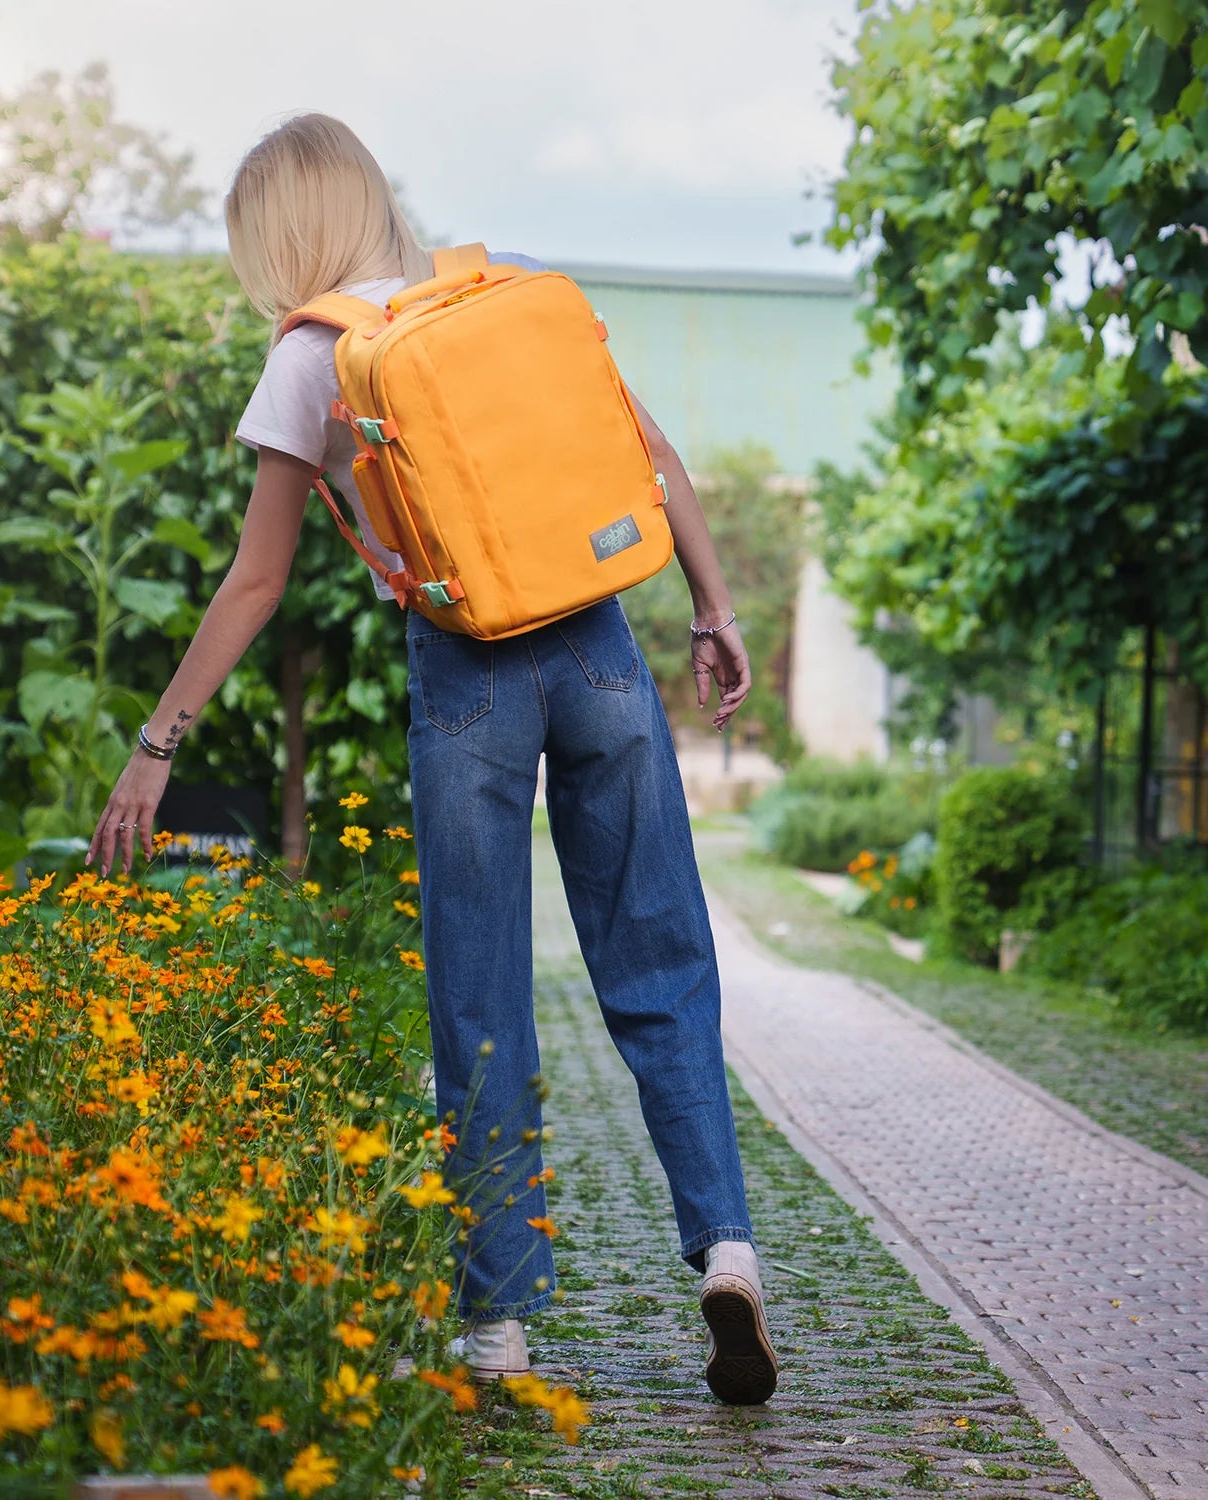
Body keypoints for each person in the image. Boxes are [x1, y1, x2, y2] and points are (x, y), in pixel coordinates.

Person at [86, 112, 779, 1406]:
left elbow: (256, 581)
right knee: (661, 958)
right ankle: (727, 1250)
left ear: (276, 237)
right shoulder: (496, 296)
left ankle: (500, 1329)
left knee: (481, 997)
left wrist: (155, 743)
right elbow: (651, 453)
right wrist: (715, 608)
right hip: (601, 650)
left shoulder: (313, 357)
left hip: (468, 677)